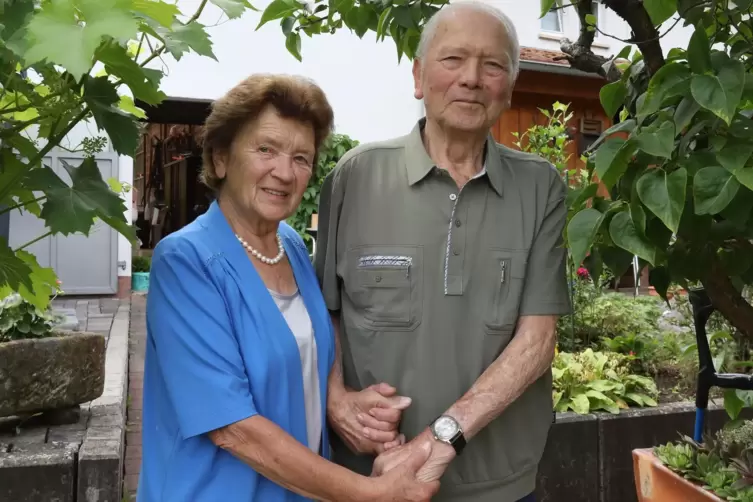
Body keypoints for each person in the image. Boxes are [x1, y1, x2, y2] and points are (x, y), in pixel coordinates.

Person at [138, 73, 440, 502]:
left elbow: (306, 352)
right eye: (266, 149)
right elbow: (233, 429)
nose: (284, 172)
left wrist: (341, 400)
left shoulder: (292, 245)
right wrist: (370, 494)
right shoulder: (185, 262)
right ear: (221, 158)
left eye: (302, 157)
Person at [315, 3, 571, 501]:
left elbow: (538, 341)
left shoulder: (540, 187)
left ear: (510, 86)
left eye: (493, 65)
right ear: (418, 75)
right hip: (369, 477)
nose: (472, 79)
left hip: (500, 483)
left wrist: (438, 439)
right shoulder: (355, 176)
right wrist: (335, 400)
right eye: (452, 59)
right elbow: (324, 313)